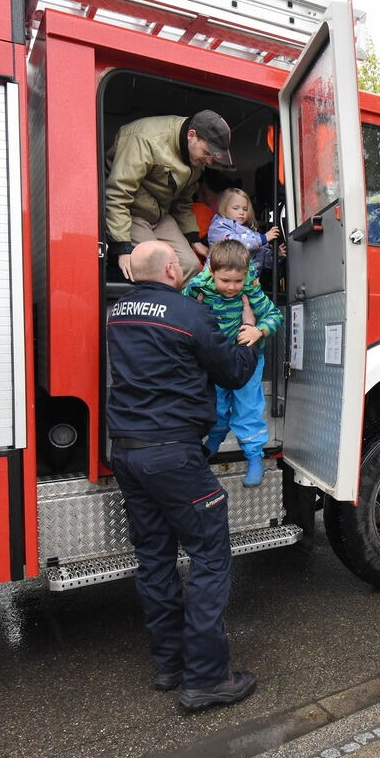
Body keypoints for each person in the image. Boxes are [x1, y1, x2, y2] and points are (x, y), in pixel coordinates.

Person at [105, 241, 259, 711]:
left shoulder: (116, 311)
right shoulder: (190, 314)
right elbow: (231, 373)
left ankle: (169, 665)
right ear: (172, 269)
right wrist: (250, 335)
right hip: (174, 456)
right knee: (210, 557)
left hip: (128, 454)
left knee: (154, 559)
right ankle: (208, 678)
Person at [184, 240, 283, 487]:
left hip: (248, 361)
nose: (231, 287)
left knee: (247, 408)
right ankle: (214, 441)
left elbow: (275, 316)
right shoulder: (198, 289)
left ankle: (254, 457)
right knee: (215, 407)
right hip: (215, 360)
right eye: (225, 281)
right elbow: (179, 312)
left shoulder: (250, 288)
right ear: (212, 272)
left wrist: (258, 331)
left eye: (237, 281)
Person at [105, 111, 234, 283]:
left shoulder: (196, 157)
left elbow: (183, 201)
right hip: (129, 212)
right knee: (159, 269)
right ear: (192, 135)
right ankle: (157, 307)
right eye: (207, 153)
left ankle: (177, 307)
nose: (209, 161)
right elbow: (117, 194)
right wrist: (121, 248)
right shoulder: (146, 140)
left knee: (190, 265)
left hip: (160, 215)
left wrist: (194, 241)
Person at [207, 187, 286, 272]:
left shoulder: (250, 233)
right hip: (222, 278)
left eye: (245, 209)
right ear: (224, 208)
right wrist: (263, 238)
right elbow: (233, 245)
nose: (241, 212)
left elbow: (261, 260)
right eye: (236, 208)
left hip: (245, 281)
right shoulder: (219, 226)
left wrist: (275, 255)